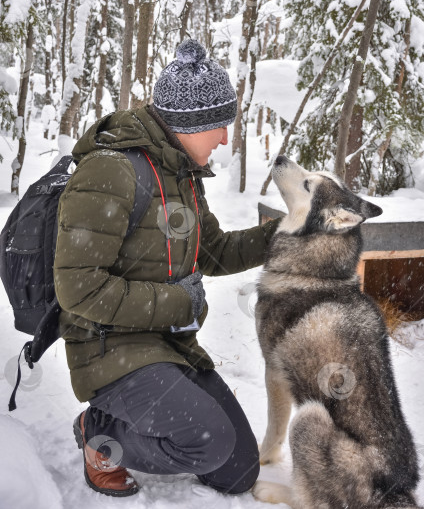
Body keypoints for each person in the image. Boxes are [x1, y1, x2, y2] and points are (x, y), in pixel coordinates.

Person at [53, 39, 279, 498]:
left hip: (167, 343)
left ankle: (160, 414)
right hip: (108, 348)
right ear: (187, 124)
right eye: (218, 126)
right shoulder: (109, 172)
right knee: (207, 442)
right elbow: (77, 289)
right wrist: (179, 303)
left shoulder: (181, 174)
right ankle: (99, 434)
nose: (224, 139)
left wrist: (286, 235)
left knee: (237, 471)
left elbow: (211, 252)